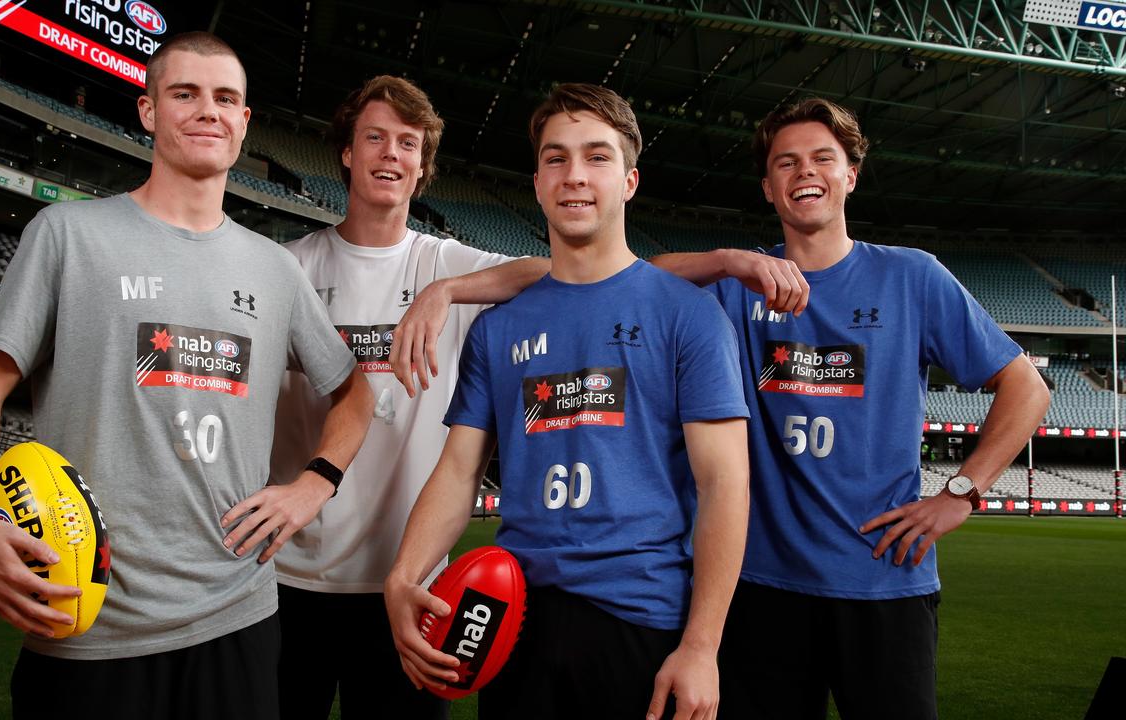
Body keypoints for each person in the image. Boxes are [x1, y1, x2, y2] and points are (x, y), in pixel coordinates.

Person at [0, 32, 373, 718]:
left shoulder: (276, 268)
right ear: (147, 112)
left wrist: (313, 485)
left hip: (236, 614)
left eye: (226, 98)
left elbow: (353, 389)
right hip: (86, 619)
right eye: (185, 94)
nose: (208, 110)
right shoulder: (67, 235)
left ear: (245, 122)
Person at [653, 98, 1050, 719]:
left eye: (821, 159)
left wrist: (962, 491)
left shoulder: (912, 277)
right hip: (760, 586)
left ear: (850, 175)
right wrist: (730, 260)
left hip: (885, 580)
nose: (803, 172)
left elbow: (1027, 386)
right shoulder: (736, 288)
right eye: (785, 163)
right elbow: (634, 280)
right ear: (768, 187)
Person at [383, 83, 751, 720]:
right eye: (556, 158)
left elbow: (725, 485)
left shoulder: (689, 316)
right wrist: (404, 574)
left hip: (638, 617)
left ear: (630, 181)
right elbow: (459, 471)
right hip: (514, 619)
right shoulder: (498, 328)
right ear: (536, 181)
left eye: (597, 157)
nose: (575, 176)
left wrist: (701, 645)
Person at [269, 75, 548, 719]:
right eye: (375, 137)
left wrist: (446, 293)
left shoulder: (448, 266)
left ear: (422, 166)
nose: (390, 153)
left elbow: (558, 270)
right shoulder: (288, 267)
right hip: (289, 578)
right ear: (346, 151)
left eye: (407, 143)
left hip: (414, 586)